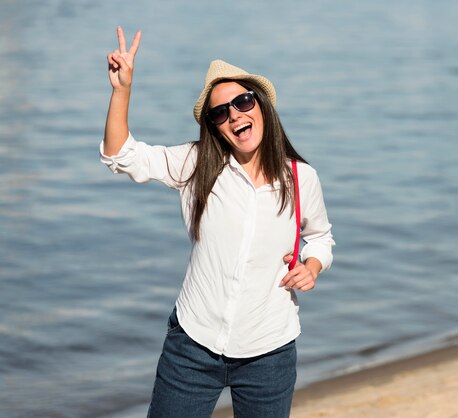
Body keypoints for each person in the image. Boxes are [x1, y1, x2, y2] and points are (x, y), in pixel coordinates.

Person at [101, 26, 335, 417]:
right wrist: (121, 89)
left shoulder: (301, 178)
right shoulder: (196, 164)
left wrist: (312, 266)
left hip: (269, 353)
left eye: (243, 102)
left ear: (261, 105)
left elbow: (321, 237)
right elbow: (120, 156)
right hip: (192, 346)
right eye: (221, 112)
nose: (234, 116)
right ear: (214, 125)